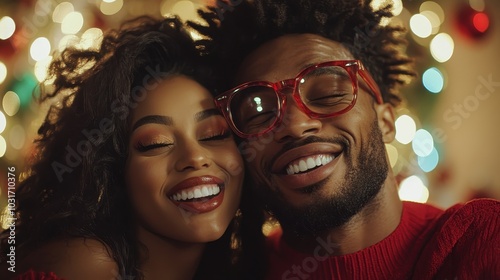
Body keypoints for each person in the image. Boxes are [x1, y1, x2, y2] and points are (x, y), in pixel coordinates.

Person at [191, 0, 500, 279]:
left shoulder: (481, 242)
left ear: (386, 121)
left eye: (328, 93)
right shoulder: (232, 272)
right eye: (258, 112)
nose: (296, 125)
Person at [0, 16, 245, 279]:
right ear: (112, 171)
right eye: (156, 143)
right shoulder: (89, 265)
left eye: (213, 134)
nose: (195, 156)